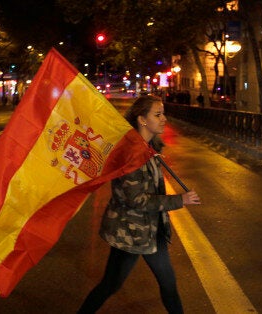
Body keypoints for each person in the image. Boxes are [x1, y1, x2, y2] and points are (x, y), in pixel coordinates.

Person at [78, 95, 201, 314]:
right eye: (157, 114)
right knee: (110, 285)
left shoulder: (149, 148)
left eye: (163, 113)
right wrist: (179, 200)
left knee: (168, 284)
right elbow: (137, 199)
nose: (164, 118)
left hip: (152, 231)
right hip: (130, 233)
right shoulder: (131, 155)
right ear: (142, 120)